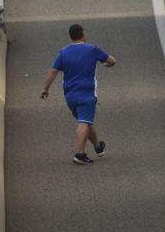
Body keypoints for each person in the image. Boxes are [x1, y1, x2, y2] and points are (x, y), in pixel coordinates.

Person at [40, 23, 116, 165]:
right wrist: (106, 65)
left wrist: (45, 88)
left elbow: (53, 72)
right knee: (84, 122)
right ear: (83, 34)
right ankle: (79, 154)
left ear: (71, 36)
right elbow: (112, 61)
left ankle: (98, 147)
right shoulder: (92, 49)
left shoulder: (63, 52)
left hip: (70, 95)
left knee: (86, 121)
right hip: (86, 93)